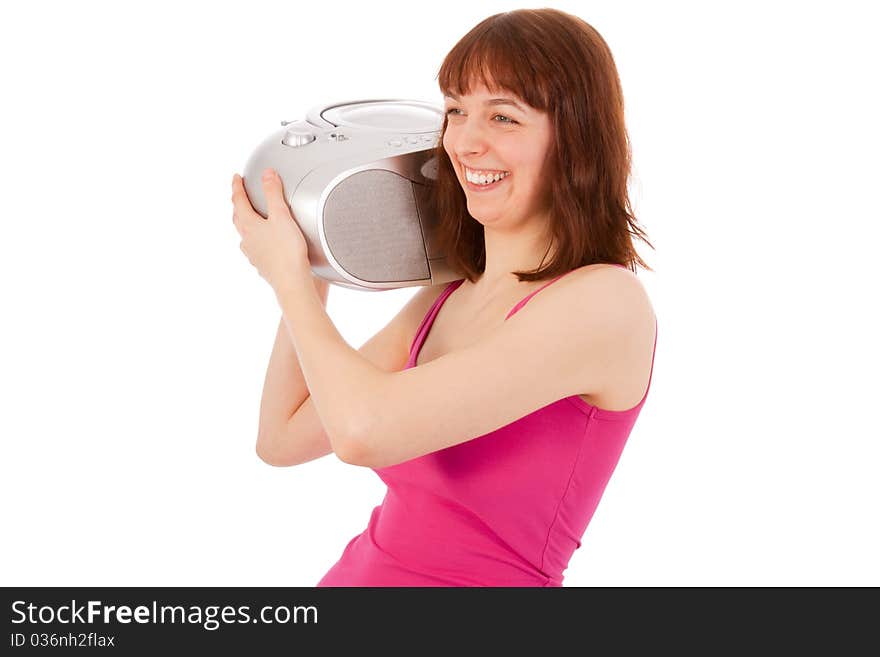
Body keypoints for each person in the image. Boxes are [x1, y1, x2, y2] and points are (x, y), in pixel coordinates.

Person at [233, 8, 657, 586]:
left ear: (576, 140)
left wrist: (287, 277)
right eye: (456, 111)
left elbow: (362, 431)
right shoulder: (454, 292)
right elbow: (281, 438)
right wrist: (312, 270)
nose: (465, 142)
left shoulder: (604, 303)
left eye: (504, 117)